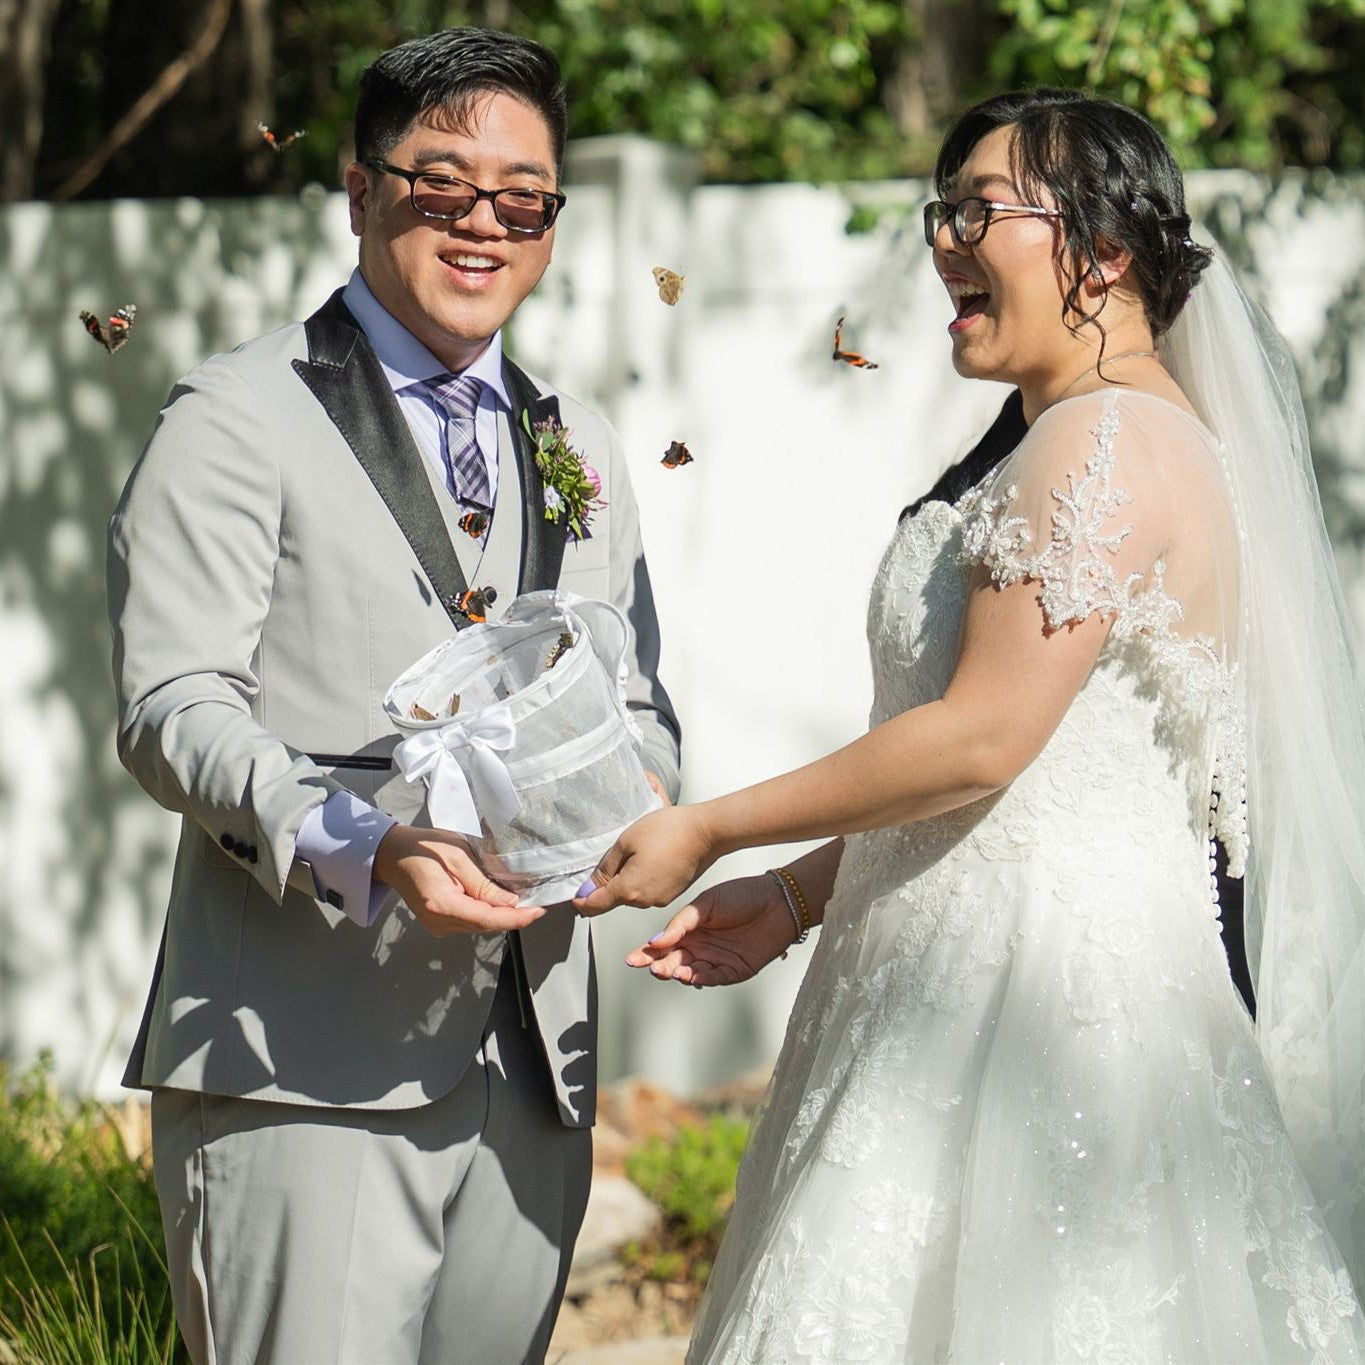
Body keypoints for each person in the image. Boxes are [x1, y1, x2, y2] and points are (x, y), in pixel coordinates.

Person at [577, 88, 1365, 1361]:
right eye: (940, 211)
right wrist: (796, 897)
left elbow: (980, 740)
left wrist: (711, 828)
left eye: (981, 211)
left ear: (1104, 249)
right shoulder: (1114, 431)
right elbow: (1029, 776)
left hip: (1029, 1015)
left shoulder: (1102, 439)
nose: (945, 240)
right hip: (965, 982)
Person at [107, 27, 680, 1365]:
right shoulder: (233, 414)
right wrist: (365, 846)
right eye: (442, 184)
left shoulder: (577, 437)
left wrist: (646, 798)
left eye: (522, 198)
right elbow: (174, 705)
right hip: (300, 1055)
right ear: (361, 191)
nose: (483, 222)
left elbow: (636, 696)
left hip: (533, 1068)